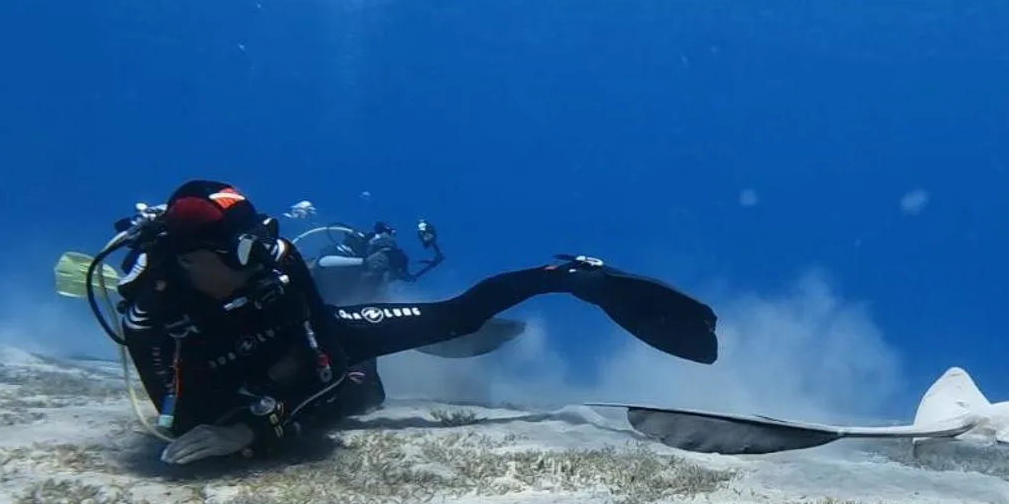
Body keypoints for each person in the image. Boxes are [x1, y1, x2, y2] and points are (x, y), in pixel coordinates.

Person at [90, 180, 719, 466]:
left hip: (326, 338)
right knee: (356, 396)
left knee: (452, 317)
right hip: (243, 362)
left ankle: (574, 278)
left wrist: (263, 422)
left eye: (263, 243)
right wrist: (247, 426)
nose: (266, 263)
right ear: (192, 262)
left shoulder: (277, 263)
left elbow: (323, 364)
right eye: (244, 254)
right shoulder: (154, 313)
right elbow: (178, 416)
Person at [308, 218, 444, 306]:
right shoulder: (344, 253)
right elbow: (324, 262)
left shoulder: (370, 271)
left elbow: (406, 278)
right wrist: (364, 262)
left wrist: (430, 264)